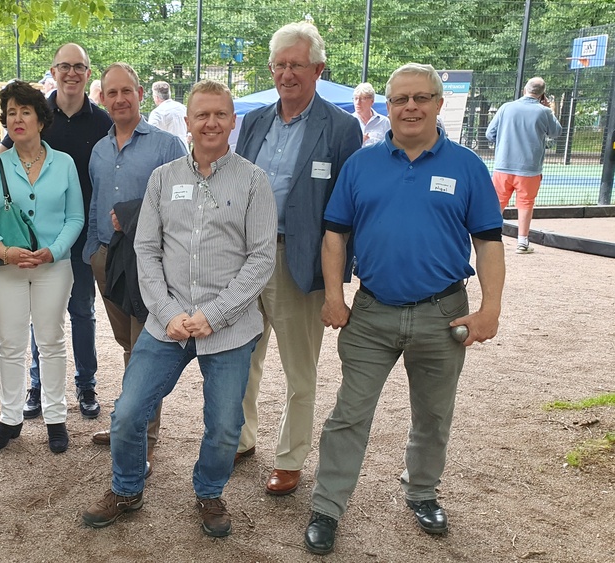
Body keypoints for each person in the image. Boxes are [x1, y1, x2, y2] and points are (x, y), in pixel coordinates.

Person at [304, 63, 505, 555]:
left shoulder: (467, 167)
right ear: (386, 107)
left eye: (420, 98)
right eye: (400, 99)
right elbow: (335, 234)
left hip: (443, 314)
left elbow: (490, 243)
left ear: (438, 104)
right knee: (349, 414)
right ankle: (327, 507)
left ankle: (422, 493)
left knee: (433, 414)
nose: (410, 107)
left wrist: (490, 310)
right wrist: (335, 296)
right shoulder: (361, 164)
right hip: (372, 314)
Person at [82, 80, 276, 537]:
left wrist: (216, 314)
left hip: (228, 328)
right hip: (166, 322)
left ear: (233, 121)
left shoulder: (253, 181)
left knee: (226, 426)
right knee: (128, 412)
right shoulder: (164, 178)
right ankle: (127, 488)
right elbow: (145, 250)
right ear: (186, 123)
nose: (211, 123)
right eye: (201, 115)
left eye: (220, 115)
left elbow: (262, 258)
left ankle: (209, 492)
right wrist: (168, 314)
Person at [233, 21, 361, 496]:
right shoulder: (255, 121)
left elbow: (349, 208)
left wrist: (337, 284)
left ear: (318, 70)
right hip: (248, 257)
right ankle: (241, 438)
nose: (287, 74)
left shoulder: (342, 128)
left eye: (297, 65)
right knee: (243, 355)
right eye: (280, 65)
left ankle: (289, 458)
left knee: (299, 367)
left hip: (301, 260)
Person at [0, 81, 85, 454]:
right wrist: (3, 251)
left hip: (54, 265)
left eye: (25, 112)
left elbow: (76, 217)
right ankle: (9, 418)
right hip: (8, 268)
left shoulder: (63, 163)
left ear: (40, 119)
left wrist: (54, 250)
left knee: (51, 340)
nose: (17, 119)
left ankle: (55, 418)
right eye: (11, 113)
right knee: (11, 343)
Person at [83, 63, 188, 471]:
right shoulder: (99, 149)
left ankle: (144, 434)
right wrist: (94, 249)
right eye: (112, 93)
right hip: (107, 260)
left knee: (148, 349)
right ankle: (129, 421)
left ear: (140, 94)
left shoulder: (165, 145)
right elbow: (95, 203)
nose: (120, 99)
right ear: (103, 98)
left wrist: (134, 214)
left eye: (127, 91)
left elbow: (184, 198)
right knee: (128, 345)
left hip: (150, 264)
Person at [0, 43, 112, 422]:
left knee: (81, 310)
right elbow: (5, 161)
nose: (71, 73)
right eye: (64, 66)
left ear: (88, 72)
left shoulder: (102, 122)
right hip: (35, 237)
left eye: (79, 66)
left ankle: (86, 383)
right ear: (53, 70)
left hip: (80, 235)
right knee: (40, 315)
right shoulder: (35, 114)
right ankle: (38, 384)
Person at [486, 76, 562, 254]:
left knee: (497, 202)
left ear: (524, 90)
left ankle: (490, 237)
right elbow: (556, 132)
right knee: (526, 203)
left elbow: (490, 134)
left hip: (503, 166)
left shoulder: (506, 108)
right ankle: (522, 242)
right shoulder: (543, 112)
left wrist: (504, 143)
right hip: (529, 168)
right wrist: (549, 109)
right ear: (542, 95)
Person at [148, 80, 189, 146]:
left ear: (156, 97)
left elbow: (151, 135)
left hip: (166, 152)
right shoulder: (182, 108)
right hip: (184, 149)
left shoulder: (157, 113)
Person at [352, 82, 390, 147]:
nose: (358, 102)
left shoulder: (384, 122)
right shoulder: (348, 122)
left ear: (372, 101)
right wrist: (357, 142)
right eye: (356, 98)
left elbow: (391, 147)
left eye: (363, 98)